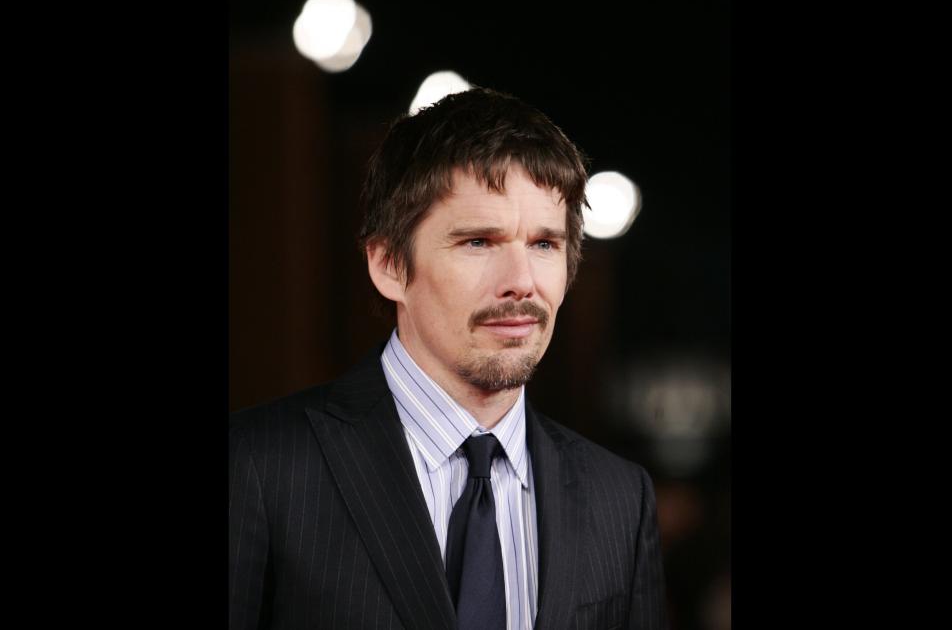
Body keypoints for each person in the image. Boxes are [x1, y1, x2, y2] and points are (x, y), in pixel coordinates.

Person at [229, 87, 667, 630]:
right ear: (389, 264)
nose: (521, 283)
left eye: (544, 244)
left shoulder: (620, 499)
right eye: (479, 242)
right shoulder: (255, 467)